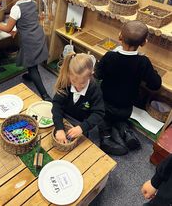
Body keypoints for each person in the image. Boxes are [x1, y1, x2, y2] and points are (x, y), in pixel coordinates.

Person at [95, 21, 161, 156]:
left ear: (120, 36)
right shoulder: (143, 62)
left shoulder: (110, 57)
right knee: (121, 118)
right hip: (126, 108)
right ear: (144, 43)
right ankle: (124, 130)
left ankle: (106, 137)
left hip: (106, 105)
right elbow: (155, 84)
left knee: (105, 120)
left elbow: (98, 74)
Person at [51, 52, 105, 144]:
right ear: (69, 75)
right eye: (74, 81)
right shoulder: (66, 82)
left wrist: (82, 127)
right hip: (63, 118)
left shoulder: (95, 89)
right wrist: (59, 128)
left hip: (82, 123)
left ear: (91, 75)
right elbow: (56, 105)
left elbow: (98, 113)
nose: (77, 86)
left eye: (82, 83)